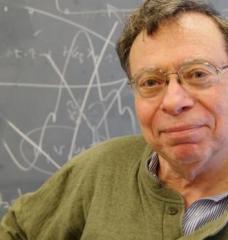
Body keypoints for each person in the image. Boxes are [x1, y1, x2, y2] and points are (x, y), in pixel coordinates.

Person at [1, 0, 228, 239]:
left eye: (198, 74)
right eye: (150, 82)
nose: (173, 101)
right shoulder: (101, 170)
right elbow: (17, 230)